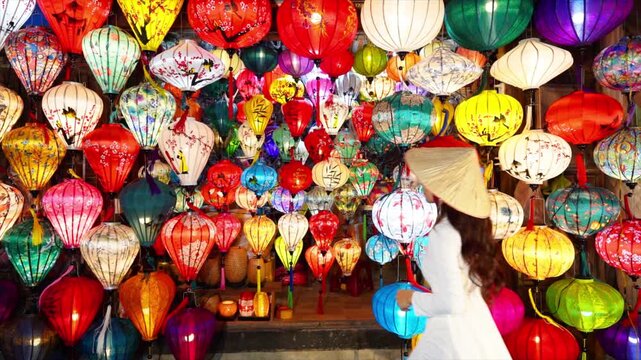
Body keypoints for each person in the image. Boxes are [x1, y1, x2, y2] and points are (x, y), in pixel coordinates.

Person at [397, 142, 511, 360]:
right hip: (477, 329)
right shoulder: (469, 229)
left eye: (428, 177)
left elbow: (451, 302)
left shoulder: (444, 234)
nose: (421, 183)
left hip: (452, 338)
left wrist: (410, 297)